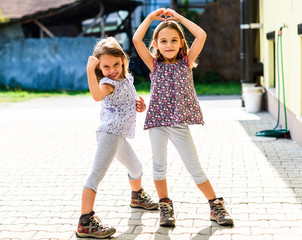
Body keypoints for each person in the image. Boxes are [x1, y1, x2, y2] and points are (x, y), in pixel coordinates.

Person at [133, 8, 234, 227]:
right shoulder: (154, 65)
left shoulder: (185, 62)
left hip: (179, 125)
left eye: (173, 40)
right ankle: (165, 207)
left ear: (181, 43)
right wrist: (150, 18)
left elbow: (201, 35)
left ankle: (215, 206)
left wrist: (179, 18)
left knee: (194, 167)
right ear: (157, 44)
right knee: (159, 167)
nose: (168, 45)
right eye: (163, 41)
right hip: (157, 124)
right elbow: (136, 39)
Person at [76, 37, 158, 239]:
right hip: (109, 134)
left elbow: (129, 101)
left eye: (116, 64)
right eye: (105, 66)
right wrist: (89, 71)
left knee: (136, 168)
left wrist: (139, 106)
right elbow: (96, 96)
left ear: (123, 60)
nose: (112, 70)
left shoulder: (126, 79)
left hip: (119, 135)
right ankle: (85, 222)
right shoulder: (107, 83)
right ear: (99, 67)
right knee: (96, 176)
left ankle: (137, 197)